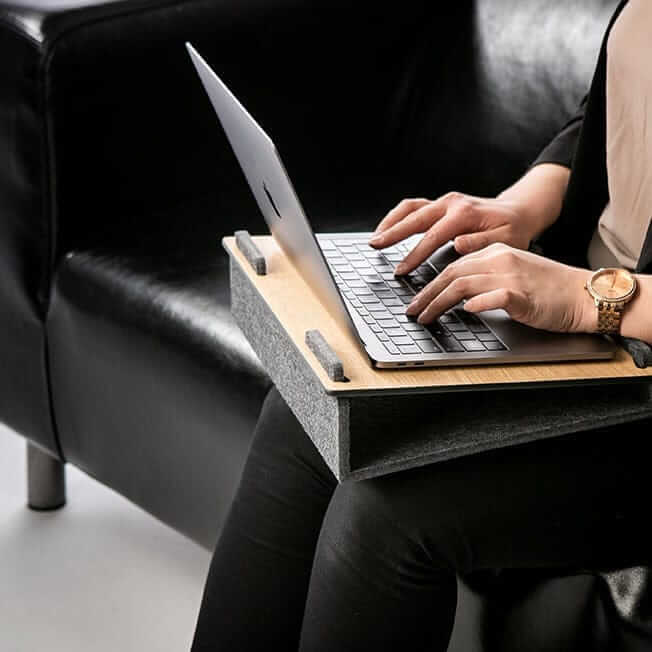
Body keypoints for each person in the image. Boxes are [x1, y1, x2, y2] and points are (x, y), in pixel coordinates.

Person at [191, 1, 652, 649]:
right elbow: (610, 112)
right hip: (590, 340)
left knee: (382, 518)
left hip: (632, 376)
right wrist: (515, 209)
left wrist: (588, 299)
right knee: (305, 417)